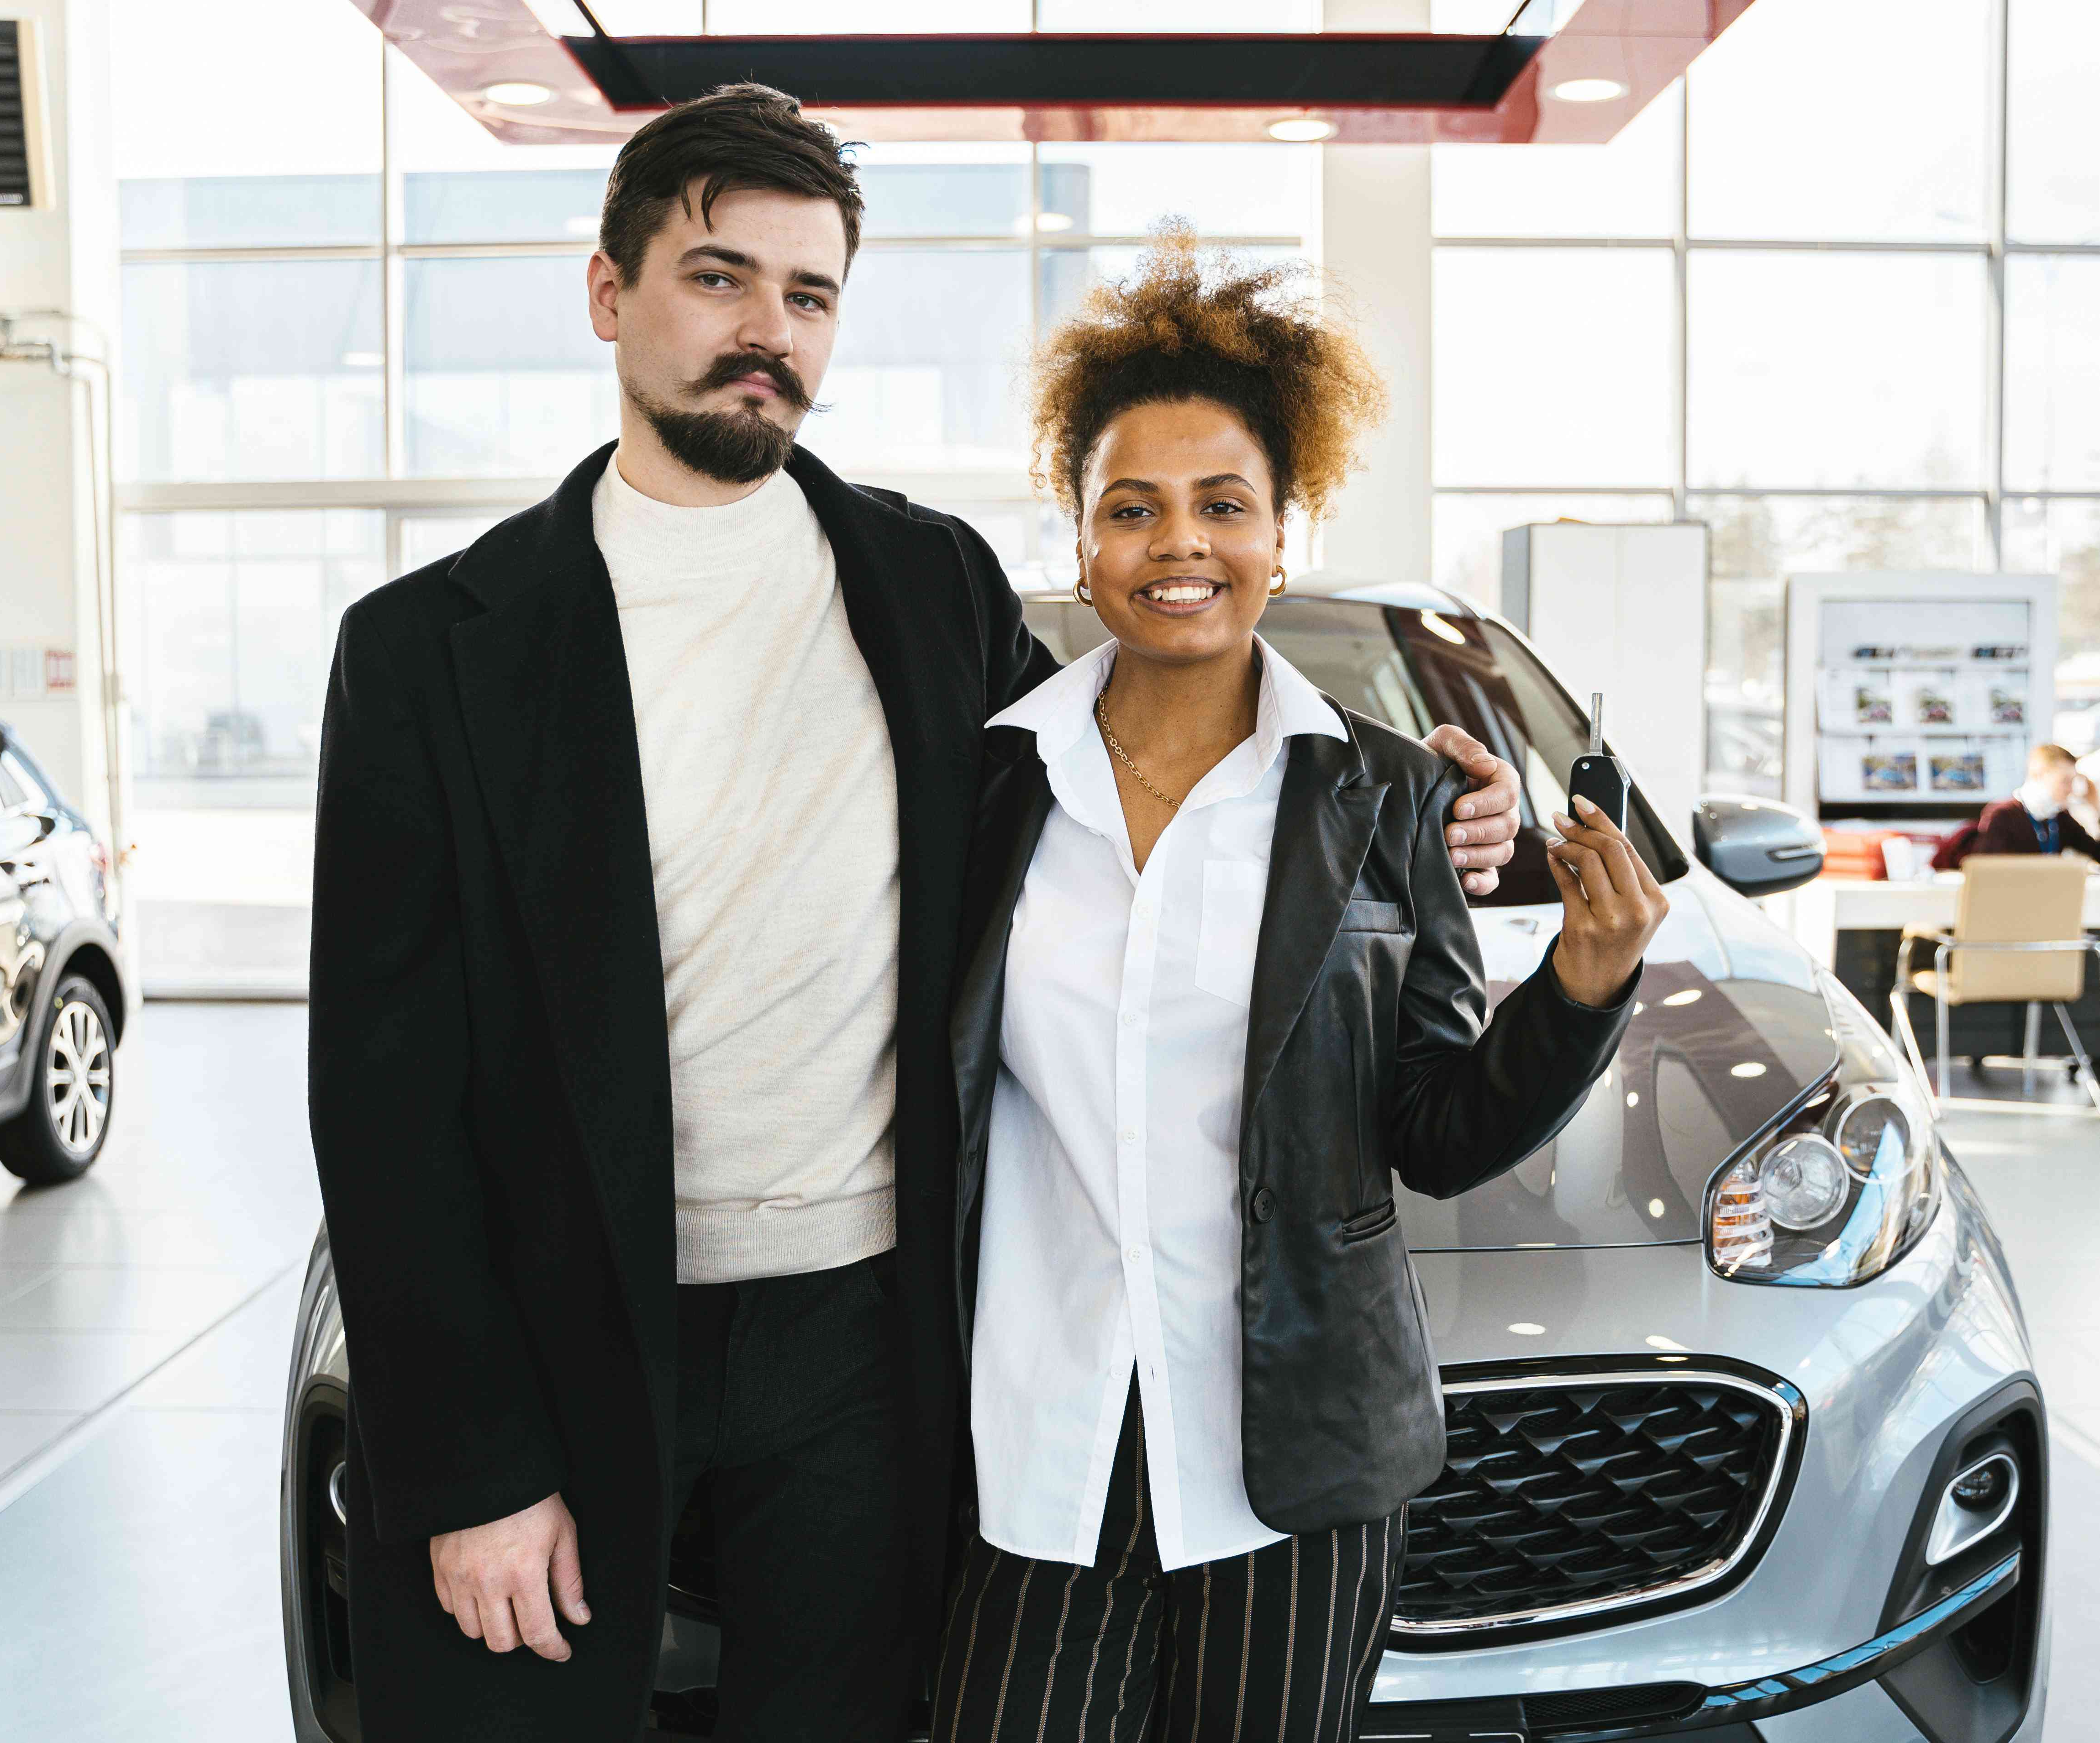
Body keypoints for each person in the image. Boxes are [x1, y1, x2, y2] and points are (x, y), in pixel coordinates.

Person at [305, 88, 1530, 1742]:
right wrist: (473, 1467)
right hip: (571, 1327)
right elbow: (383, 1098)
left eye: (808, 297)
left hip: (862, 1351)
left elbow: (1159, 740)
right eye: (719, 279)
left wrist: (1411, 801)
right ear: (609, 295)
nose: (768, 333)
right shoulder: (429, 650)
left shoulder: (925, 587)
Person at [934, 233, 1667, 1743]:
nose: (1177, 543)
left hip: (1298, 1451)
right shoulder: (988, 790)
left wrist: (1578, 989)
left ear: (1283, 528)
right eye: (1130, 508)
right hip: (1035, 1431)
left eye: (1222, 504)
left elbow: (1438, 1125)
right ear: (1080, 542)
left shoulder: (1386, 798)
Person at [1930, 742, 2100, 871]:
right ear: (2039, 775)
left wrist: (2099, 812)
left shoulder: (2059, 818)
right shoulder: (2003, 815)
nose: (2071, 789)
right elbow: (1988, 876)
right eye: (2065, 781)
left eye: (2074, 781)